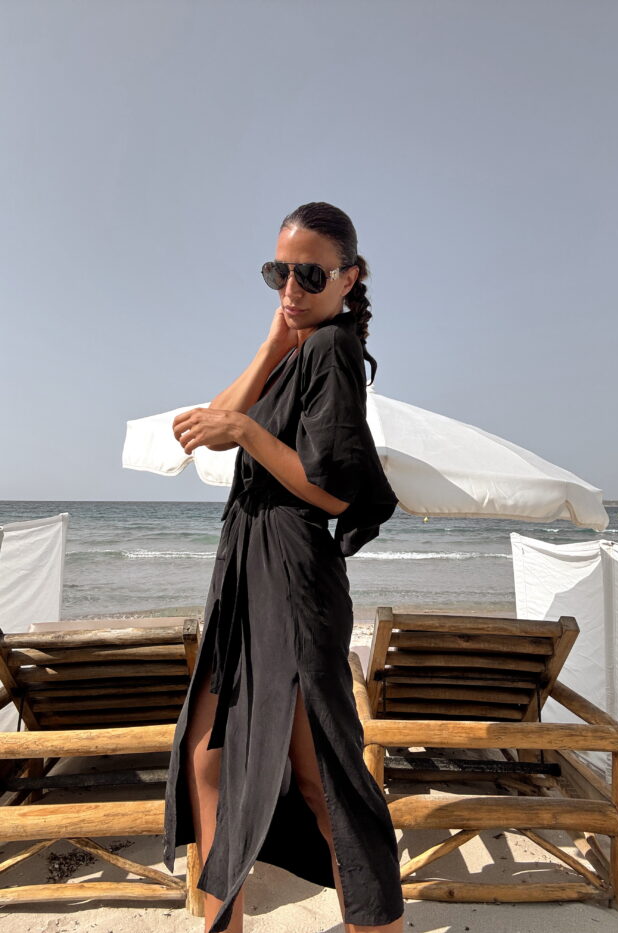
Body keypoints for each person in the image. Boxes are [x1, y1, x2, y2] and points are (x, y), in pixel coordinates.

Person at [162, 201, 405, 933]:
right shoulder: (295, 349)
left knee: (322, 776)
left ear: (348, 278)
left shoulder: (332, 350)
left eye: (310, 275)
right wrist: (271, 342)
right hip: (247, 576)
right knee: (207, 759)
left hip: (294, 577)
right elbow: (204, 430)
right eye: (279, 273)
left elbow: (334, 489)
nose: (292, 288)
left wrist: (245, 429)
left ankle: (376, 920)